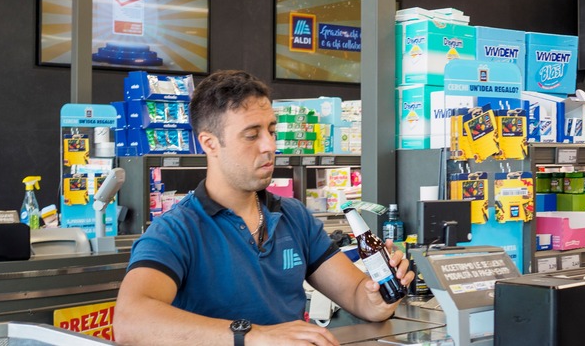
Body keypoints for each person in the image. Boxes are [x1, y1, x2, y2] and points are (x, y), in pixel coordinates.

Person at [114, 70, 414, 346]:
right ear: (209, 143)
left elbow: (357, 294)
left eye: (271, 130)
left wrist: (380, 298)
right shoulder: (176, 230)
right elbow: (130, 321)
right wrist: (252, 335)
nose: (269, 145)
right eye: (252, 134)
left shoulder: (293, 217)